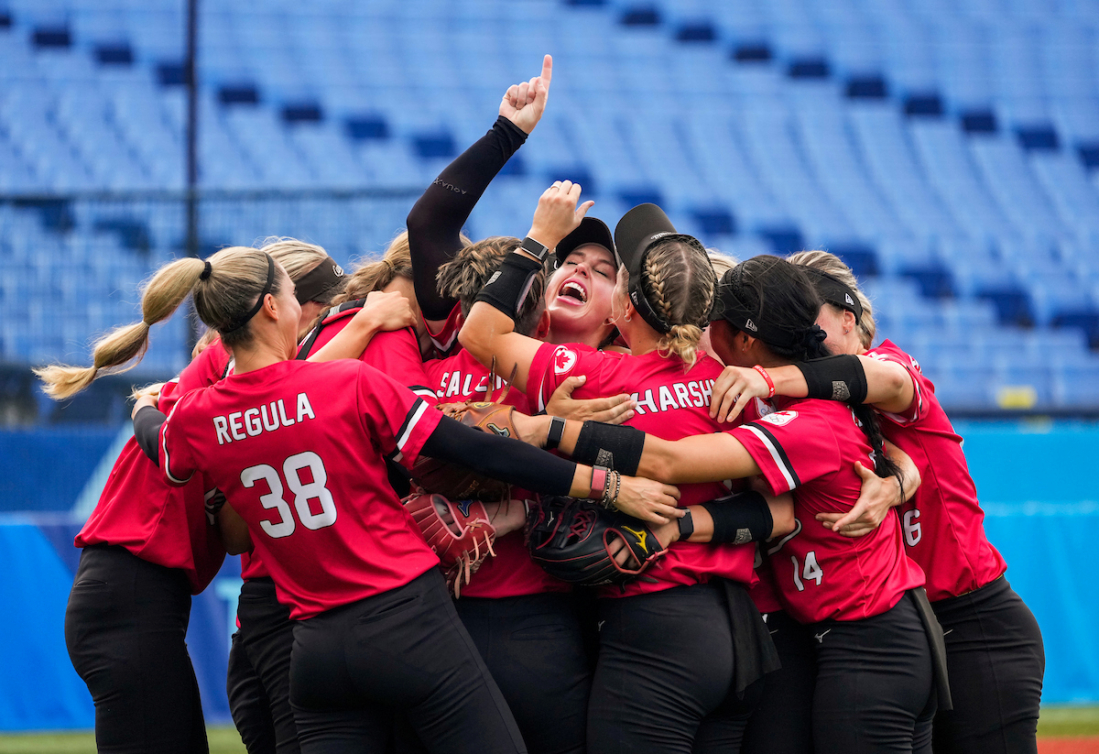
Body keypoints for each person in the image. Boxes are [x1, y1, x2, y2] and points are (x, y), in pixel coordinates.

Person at [125, 246, 678, 753]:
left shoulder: (198, 417)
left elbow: (160, 443)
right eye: (294, 296)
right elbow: (476, 450)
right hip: (406, 622)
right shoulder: (347, 383)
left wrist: (145, 407)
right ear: (272, 306)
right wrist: (604, 482)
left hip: (315, 649)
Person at [527, 255, 938, 754]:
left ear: (744, 339)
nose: (698, 322)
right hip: (828, 636)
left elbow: (674, 462)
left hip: (870, 640)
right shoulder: (774, 400)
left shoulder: (802, 416)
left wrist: (544, 430)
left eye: (712, 316)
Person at [36, 239, 412, 754]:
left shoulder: (228, 374)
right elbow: (293, 401)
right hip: (127, 596)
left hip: (140, 600)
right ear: (276, 307)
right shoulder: (234, 363)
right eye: (323, 309)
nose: (330, 321)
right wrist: (368, 324)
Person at [461, 194, 804, 753]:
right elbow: (783, 512)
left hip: (654, 630)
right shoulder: (731, 382)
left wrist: (540, 238)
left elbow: (480, 333)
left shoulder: (601, 375)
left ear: (624, 308)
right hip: (741, 637)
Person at [713, 250, 1045, 754]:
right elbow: (879, 452)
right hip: (904, 624)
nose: (800, 333)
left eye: (811, 319)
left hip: (972, 622)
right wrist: (897, 478)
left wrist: (768, 376)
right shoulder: (819, 412)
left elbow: (886, 382)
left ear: (848, 319)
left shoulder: (887, 362)